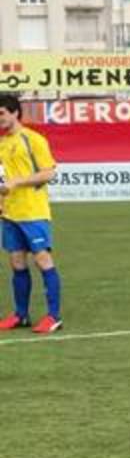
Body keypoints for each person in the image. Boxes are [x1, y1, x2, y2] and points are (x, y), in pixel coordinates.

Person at [0, 94, 62, 334]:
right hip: (10, 213)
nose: (0, 119)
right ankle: (20, 315)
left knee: (42, 260)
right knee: (16, 262)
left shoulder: (34, 139)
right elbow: (5, 180)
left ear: (15, 112)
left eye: (2, 113)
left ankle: (53, 316)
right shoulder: (3, 143)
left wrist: (18, 183)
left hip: (33, 211)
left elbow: (49, 173)